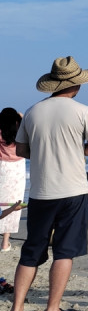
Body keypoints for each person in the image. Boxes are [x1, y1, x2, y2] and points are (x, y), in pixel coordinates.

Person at [2, 56, 88, 311]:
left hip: (41, 192)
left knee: (30, 253)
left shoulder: (32, 112)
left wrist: (45, 152)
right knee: (64, 252)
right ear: (76, 85)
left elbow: (21, 150)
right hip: (73, 191)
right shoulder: (83, 111)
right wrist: (73, 151)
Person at [0, 108, 25, 252]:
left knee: (2, 201)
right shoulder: (19, 129)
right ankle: (5, 242)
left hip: (2, 166)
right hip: (17, 168)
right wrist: (19, 116)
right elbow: (26, 121)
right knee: (13, 203)